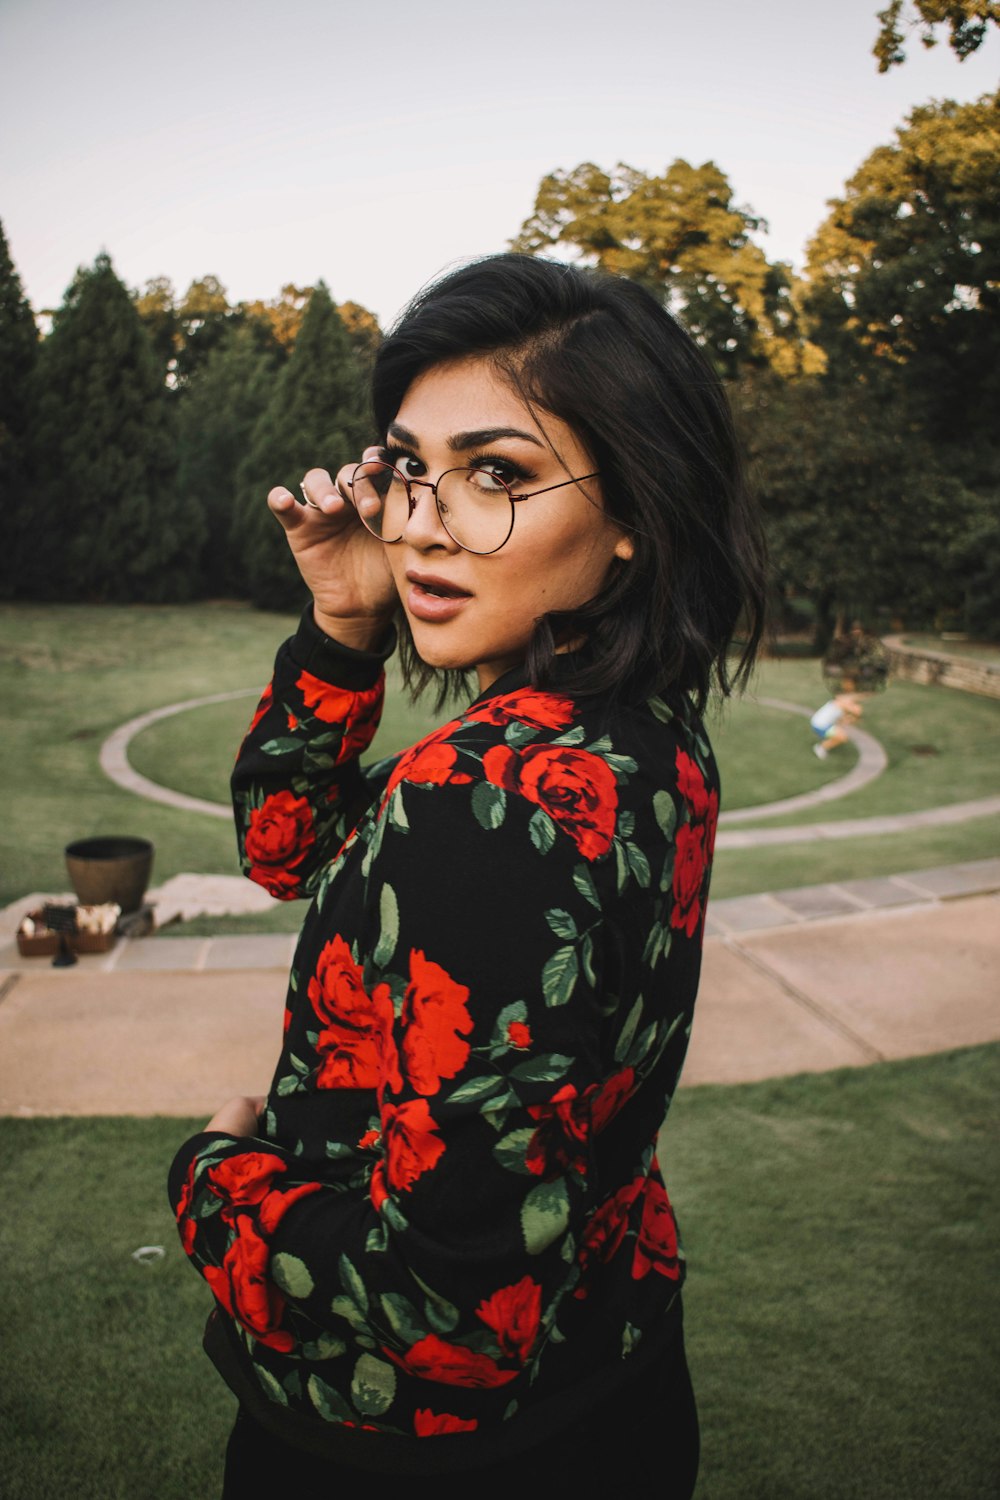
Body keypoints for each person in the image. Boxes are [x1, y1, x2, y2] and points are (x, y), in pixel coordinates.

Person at [168, 253, 767, 1499]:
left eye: (496, 474)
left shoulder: (484, 796)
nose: (419, 523)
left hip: (424, 1455)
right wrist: (344, 618)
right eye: (408, 467)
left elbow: (440, 1311)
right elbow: (288, 849)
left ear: (630, 518)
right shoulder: (641, 734)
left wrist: (212, 1184)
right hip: (615, 1373)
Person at [810, 679, 864, 759]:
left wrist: (850, 719)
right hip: (820, 725)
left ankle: (827, 738)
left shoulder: (841, 702)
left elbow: (845, 719)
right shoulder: (841, 702)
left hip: (820, 723)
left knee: (840, 733)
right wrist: (856, 714)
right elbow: (856, 711)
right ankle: (820, 747)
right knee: (842, 737)